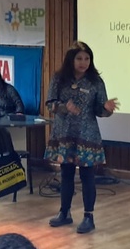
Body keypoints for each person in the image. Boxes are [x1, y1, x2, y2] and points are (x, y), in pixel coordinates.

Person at [44, 42, 119, 234]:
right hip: (64, 133)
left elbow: (100, 110)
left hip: (87, 134)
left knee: (87, 176)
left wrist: (107, 109)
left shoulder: (95, 81)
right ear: (71, 59)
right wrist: (63, 107)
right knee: (66, 174)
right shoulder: (59, 78)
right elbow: (50, 104)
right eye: (79, 58)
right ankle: (64, 213)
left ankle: (88, 217)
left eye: (87, 59)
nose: (83, 62)